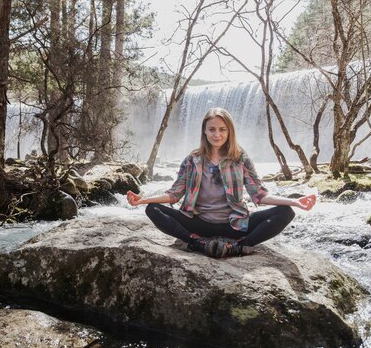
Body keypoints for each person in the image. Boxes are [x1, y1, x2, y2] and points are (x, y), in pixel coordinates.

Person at [127, 107, 316, 258]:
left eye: (222, 129)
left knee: (286, 212)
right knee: (152, 209)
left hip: (234, 225)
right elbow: (174, 194)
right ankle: (196, 243)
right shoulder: (192, 159)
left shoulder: (240, 158)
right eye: (212, 129)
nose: (217, 134)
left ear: (229, 131)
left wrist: (295, 201)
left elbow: (259, 195)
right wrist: (143, 200)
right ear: (204, 131)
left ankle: (240, 246)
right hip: (198, 224)